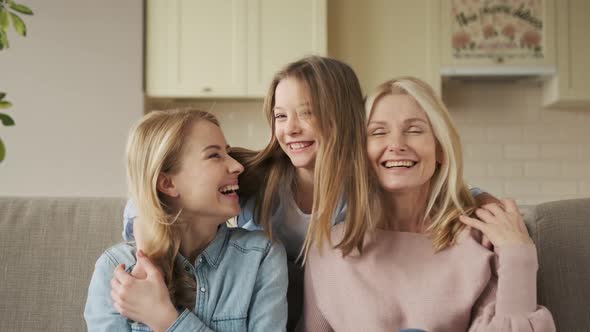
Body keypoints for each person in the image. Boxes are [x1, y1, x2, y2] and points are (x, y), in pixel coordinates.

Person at [119, 57, 496, 330]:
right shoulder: (258, 176)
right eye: (281, 116)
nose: (291, 129)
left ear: (342, 116)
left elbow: (435, 188)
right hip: (258, 314)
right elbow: (159, 182)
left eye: (307, 112)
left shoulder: (367, 181)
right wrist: (145, 241)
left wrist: (486, 204)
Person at [299, 77, 555, 331]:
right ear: (361, 155)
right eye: (378, 132)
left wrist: (518, 256)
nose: (396, 145)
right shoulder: (328, 247)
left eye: (414, 130)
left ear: (440, 149)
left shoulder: (477, 242)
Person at [84, 109, 288, 331]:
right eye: (214, 155)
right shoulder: (116, 269)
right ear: (168, 184)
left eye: (228, 153)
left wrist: (165, 319)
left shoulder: (260, 257)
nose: (237, 166)